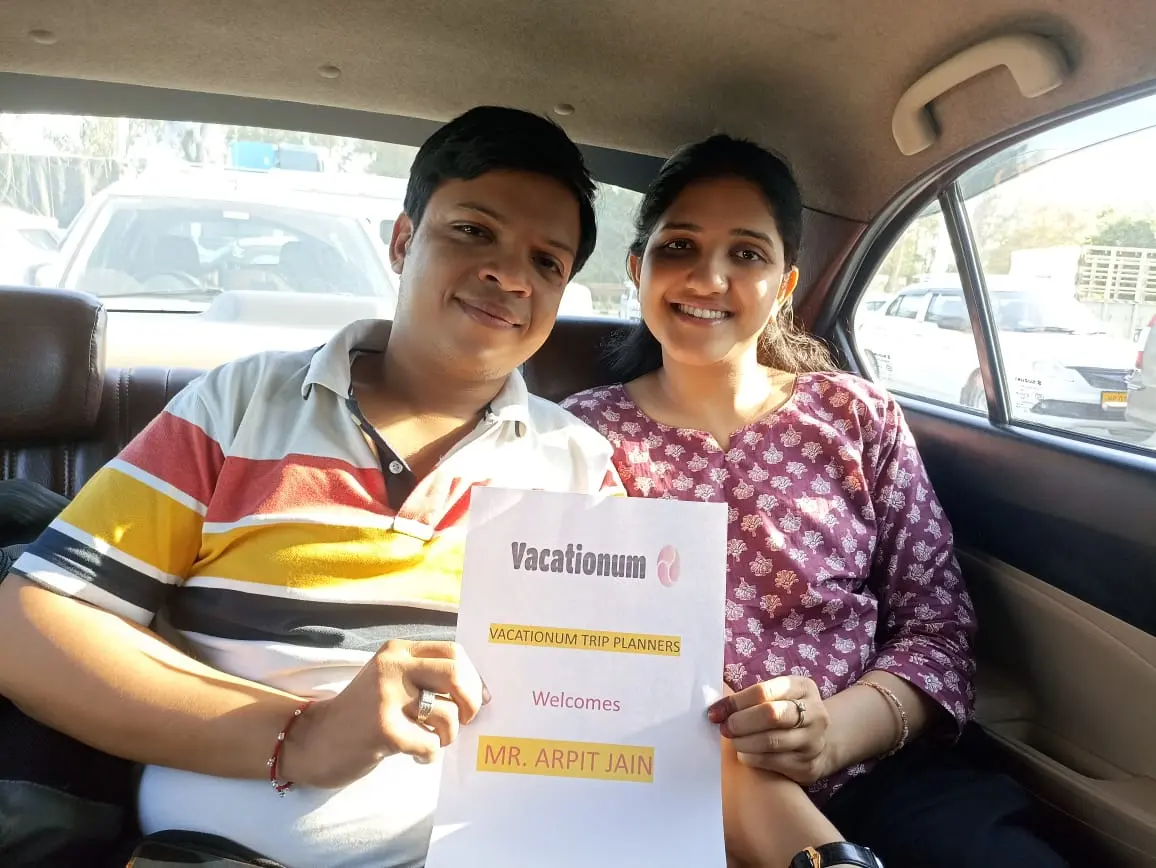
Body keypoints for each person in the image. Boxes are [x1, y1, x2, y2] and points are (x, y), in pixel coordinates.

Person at [0, 106, 620, 868]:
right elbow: (27, 630)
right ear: (402, 241)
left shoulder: (579, 467)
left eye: (548, 263)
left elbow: (618, 689)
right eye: (473, 231)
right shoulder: (240, 407)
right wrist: (302, 735)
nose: (511, 276)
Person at [562, 135, 1075, 868]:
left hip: (876, 772)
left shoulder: (855, 417)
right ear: (637, 267)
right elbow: (558, 640)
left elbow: (937, 630)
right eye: (680, 246)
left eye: (746, 253)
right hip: (656, 784)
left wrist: (832, 733)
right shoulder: (579, 433)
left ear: (785, 285)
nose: (709, 277)